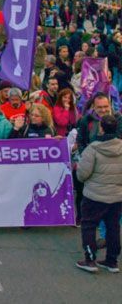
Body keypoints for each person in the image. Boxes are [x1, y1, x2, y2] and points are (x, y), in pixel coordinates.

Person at [75, 115, 122, 273]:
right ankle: (112, 261)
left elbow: (82, 174)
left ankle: (90, 260)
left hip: (94, 196)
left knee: (88, 226)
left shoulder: (93, 148)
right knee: (113, 227)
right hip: (116, 195)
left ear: (101, 128)